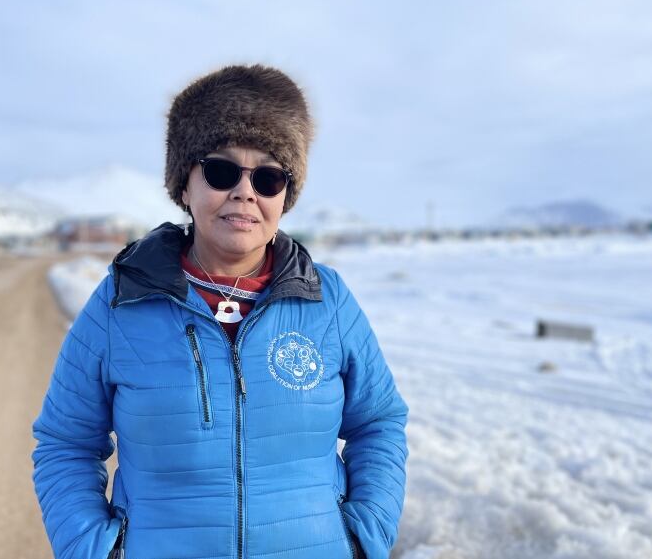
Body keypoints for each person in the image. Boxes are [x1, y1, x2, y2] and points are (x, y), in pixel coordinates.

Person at [31, 64, 409, 559]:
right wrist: (94, 551)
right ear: (184, 185)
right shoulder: (121, 302)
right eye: (222, 170)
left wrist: (362, 538)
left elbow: (378, 423)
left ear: (284, 198)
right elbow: (65, 443)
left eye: (269, 177)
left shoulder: (327, 300)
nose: (245, 192)